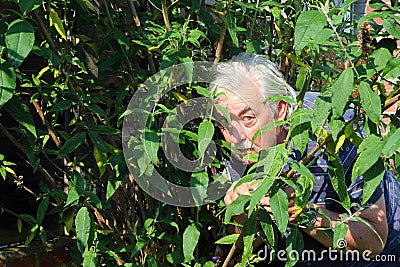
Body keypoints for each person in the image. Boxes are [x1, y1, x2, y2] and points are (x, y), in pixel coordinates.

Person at [211, 52, 400, 266]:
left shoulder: (337, 132)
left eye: (248, 118)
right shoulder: (226, 144)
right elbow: (241, 242)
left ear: (279, 109)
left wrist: (304, 214)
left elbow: (374, 240)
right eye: (225, 122)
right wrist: (242, 217)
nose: (236, 138)